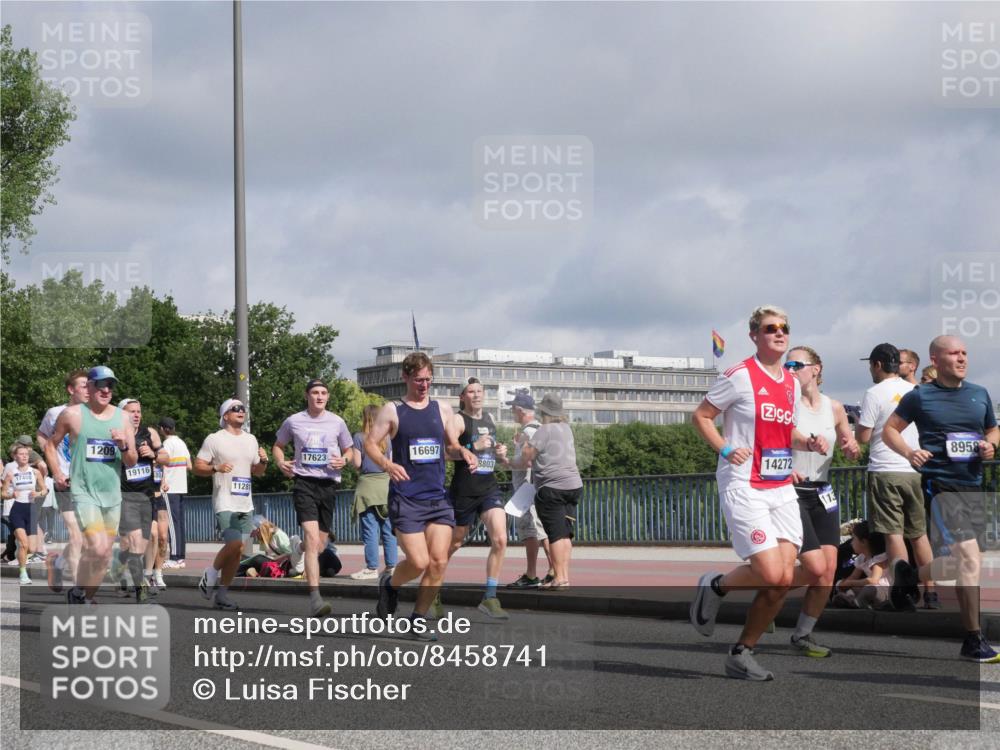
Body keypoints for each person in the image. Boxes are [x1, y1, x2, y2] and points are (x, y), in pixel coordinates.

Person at [689, 305, 829, 681]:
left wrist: (808, 442)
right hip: (743, 483)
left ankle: (742, 652)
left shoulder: (789, 382)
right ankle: (715, 586)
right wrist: (724, 447)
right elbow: (701, 416)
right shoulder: (739, 376)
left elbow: (786, 433)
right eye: (771, 328)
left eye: (784, 327)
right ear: (755, 335)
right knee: (770, 572)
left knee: (783, 579)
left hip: (780, 486)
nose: (779, 333)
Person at [883, 335, 999, 662]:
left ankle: (909, 575)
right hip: (941, 485)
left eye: (964, 353)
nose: (962, 358)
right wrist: (909, 452)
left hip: (973, 485)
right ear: (935, 360)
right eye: (953, 353)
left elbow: (993, 429)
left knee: (967, 562)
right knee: (970, 560)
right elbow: (889, 430)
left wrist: (992, 444)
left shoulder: (979, 394)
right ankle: (973, 639)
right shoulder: (920, 396)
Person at [365, 352, 476, 639]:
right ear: (405, 377)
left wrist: (462, 452)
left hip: (437, 498)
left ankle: (417, 619)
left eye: (428, 379)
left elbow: (449, 448)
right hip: (406, 498)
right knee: (418, 562)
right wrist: (388, 464)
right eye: (418, 380)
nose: (424, 385)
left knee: (439, 561)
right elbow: (370, 444)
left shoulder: (443, 410)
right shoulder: (393, 410)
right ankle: (389, 585)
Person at [785, 346, 860, 657]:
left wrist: (851, 446)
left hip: (823, 492)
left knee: (828, 572)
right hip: (791, 492)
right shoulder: (786, 403)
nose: (790, 370)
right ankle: (766, 590)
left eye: (796, 364)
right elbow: (771, 438)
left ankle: (802, 636)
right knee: (815, 567)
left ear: (815, 369)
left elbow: (848, 442)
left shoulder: (835, 407)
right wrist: (786, 467)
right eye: (786, 365)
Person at [43, 366, 138, 605]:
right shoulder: (72, 415)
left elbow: (132, 460)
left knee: (104, 554)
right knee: (96, 546)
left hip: (112, 494)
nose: (106, 390)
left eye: (111, 385)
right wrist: (56, 472)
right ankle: (80, 593)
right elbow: (50, 445)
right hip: (84, 492)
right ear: (91, 386)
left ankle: (81, 595)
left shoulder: (123, 418)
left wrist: (123, 445)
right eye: (101, 384)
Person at [856, 343, 938, 609]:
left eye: (871, 364)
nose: (870, 369)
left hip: (885, 469)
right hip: (914, 468)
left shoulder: (874, 392)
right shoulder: (915, 390)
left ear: (878, 365)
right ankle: (931, 592)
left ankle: (904, 592)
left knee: (894, 535)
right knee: (918, 534)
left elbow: (864, 436)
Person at [273, 378, 354, 617]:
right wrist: (280, 462)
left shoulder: (337, 422)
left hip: (328, 484)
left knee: (318, 546)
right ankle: (316, 599)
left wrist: (344, 460)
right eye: (315, 393)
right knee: (311, 535)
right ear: (307, 395)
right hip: (304, 483)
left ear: (328, 397)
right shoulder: (294, 421)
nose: (320, 396)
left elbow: (349, 449)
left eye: (324, 393)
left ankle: (297, 548)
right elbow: (278, 445)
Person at [434, 378, 511, 619]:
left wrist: (500, 452)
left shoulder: (489, 419)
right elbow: (446, 452)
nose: (476, 395)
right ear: (462, 397)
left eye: (480, 391)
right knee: (454, 543)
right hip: (464, 490)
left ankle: (490, 597)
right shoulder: (457, 420)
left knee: (500, 539)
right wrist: (473, 445)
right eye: (471, 392)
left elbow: (491, 453)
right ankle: (432, 589)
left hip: (489, 488)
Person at [194, 398, 269, 610]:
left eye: (243, 408)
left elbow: (258, 472)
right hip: (224, 500)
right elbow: (198, 466)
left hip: (245, 502)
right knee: (234, 543)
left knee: (237, 552)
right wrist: (215, 468)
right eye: (235, 409)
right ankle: (210, 574)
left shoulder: (251, 439)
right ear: (225, 415)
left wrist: (263, 461)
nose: (241, 411)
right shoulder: (214, 439)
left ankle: (222, 595)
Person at [509, 392, 581, 590]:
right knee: (565, 535)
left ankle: (559, 578)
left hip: (552, 488)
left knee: (555, 535)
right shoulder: (566, 429)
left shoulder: (545, 430)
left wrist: (520, 445)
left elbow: (526, 457)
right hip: (573, 486)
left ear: (544, 411)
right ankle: (564, 576)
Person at [37, 369, 89, 591]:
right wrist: (54, 467)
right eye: (84, 386)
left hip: (88, 484)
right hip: (64, 482)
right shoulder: (55, 413)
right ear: (71, 389)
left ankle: (57, 563)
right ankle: (78, 594)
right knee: (76, 537)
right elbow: (42, 436)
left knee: (88, 541)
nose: (90, 390)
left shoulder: (95, 415)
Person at [115, 398, 168, 602]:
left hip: (147, 497)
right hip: (124, 496)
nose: (136, 415)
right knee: (131, 541)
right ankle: (140, 585)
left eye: (138, 411)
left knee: (147, 539)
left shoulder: (150, 433)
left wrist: (153, 454)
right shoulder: (116, 434)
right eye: (131, 411)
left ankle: (135, 574)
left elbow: (166, 459)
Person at [505, 390, 554, 589]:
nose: (512, 413)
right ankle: (550, 571)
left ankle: (542, 573)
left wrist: (505, 461)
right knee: (539, 531)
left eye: (513, 410)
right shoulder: (538, 430)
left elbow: (525, 462)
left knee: (535, 531)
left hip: (527, 491)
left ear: (519, 410)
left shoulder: (529, 432)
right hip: (535, 488)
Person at [349, 404, 398, 580]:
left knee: (370, 530)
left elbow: (356, 463)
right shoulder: (389, 439)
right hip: (386, 485)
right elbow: (391, 463)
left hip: (367, 487)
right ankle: (392, 567)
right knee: (388, 529)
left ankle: (371, 568)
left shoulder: (359, 437)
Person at [1, 446, 45, 584]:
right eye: (21, 454)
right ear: (16, 457)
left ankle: (21, 561)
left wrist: (38, 494)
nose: (25, 456)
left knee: (32, 548)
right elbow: (2, 493)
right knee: (23, 544)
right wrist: (11, 495)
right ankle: (23, 574)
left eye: (27, 454)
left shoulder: (36, 472)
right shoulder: (11, 473)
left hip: (31, 510)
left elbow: (45, 490)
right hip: (17, 510)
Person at [831, 521, 889, 609]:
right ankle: (850, 598)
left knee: (869, 589)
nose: (851, 543)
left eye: (854, 539)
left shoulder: (878, 559)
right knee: (845, 585)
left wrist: (851, 582)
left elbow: (873, 580)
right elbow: (853, 577)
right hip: (869, 590)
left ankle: (856, 602)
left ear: (863, 542)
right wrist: (844, 584)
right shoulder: (861, 558)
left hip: (883, 590)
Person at [159, 417, 191, 568]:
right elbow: (189, 465)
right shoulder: (181, 443)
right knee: (179, 523)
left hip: (169, 487)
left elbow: (162, 465)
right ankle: (181, 558)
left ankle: (174, 557)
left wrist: (163, 481)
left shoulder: (166, 444)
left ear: (163, 429)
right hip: (181, 487)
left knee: (172, 523)